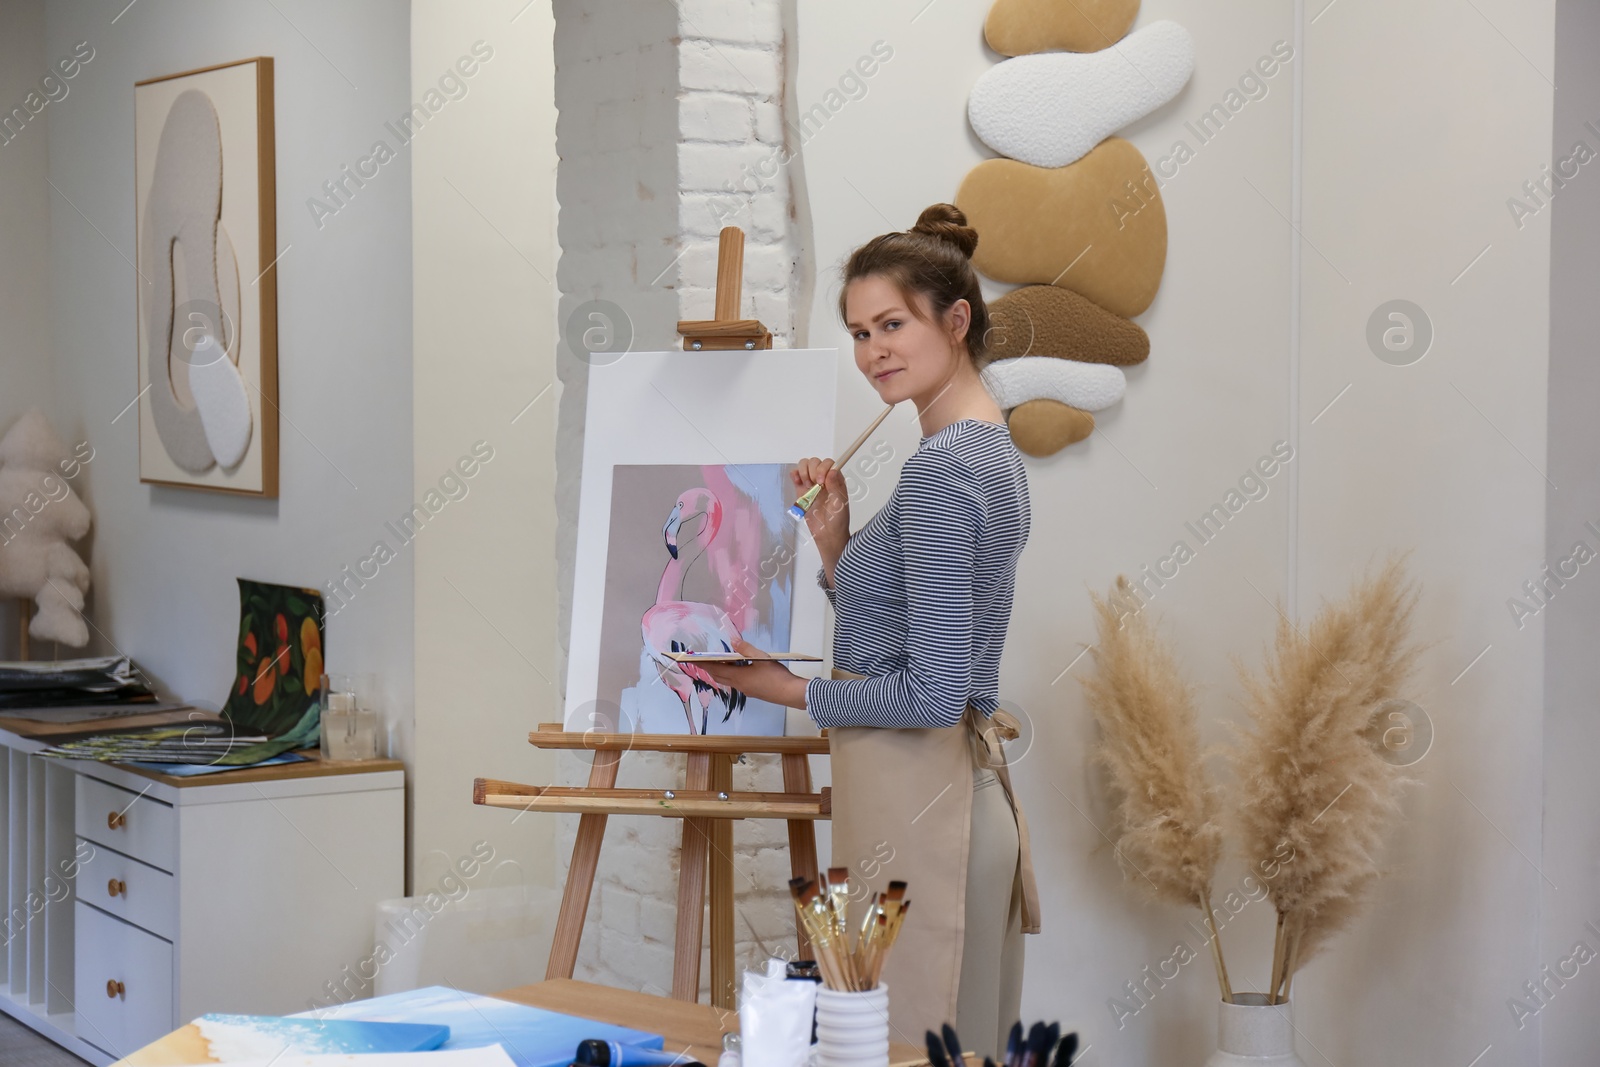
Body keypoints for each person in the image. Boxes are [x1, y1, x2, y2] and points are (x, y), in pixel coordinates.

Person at [703, 203, 1039, 1055]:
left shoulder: (940, 473)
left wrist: (788, 689)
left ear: (955, 321)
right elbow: (912, 639)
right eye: (859, 332)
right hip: (946, 797)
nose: (872, 352)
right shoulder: (988, 451)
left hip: (928, 807)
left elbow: (930, 691)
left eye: (893, 324)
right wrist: (836, 541)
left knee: (904, 1046)